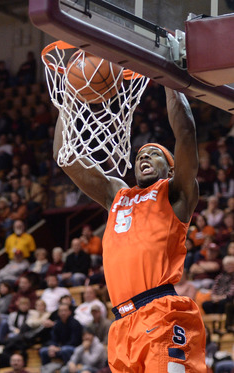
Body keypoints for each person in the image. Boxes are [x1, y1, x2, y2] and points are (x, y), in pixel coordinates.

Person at [53, 88, 207, 371]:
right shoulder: (117, 195)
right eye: (139, 156)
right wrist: (69, 102)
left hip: (162, 313)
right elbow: (66, 158)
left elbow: (185, 134)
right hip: (122, 325)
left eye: (153, 154)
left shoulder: (176, 193)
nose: (143, 158)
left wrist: (170, 82)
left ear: (171, 170)